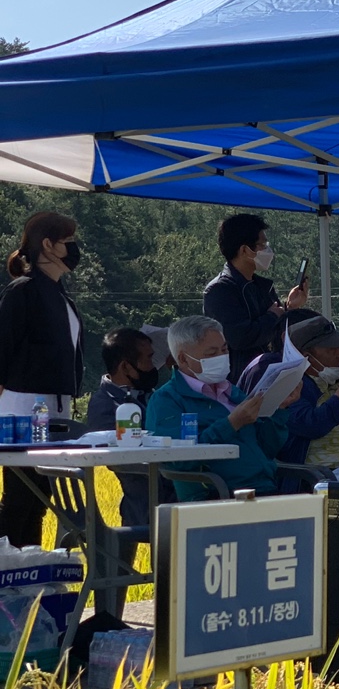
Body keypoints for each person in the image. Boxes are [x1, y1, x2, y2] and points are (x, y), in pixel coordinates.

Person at [146, 316, 301, 499]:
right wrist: (231, 424)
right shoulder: (167, 400)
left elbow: (266, 447)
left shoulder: (231, 392)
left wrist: (278, 409)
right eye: (211, 353)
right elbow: (178, 460)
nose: (221, 357)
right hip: (215, 495)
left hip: (262, 489)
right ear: (183, 359)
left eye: (224, 349)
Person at [0, 212, 85, 546]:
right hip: (22, 407)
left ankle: (31, 575)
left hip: (55, 407)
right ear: (48, 245)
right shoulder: (22, 291)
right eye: (68, 242)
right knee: (21, 498)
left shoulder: (60, 294)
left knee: (39, 503)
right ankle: (8, 574)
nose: (75, 249)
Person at [247, 314, 339, 475]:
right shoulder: (292, 387)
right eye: (331, 349)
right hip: (312, 479)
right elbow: (312, 425)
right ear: (306, 356)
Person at [202, 213, 309, 382]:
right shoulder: (220, 290)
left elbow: (275, 330)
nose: (268, 250)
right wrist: (273, 316)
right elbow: (239, 337)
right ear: (245, 250)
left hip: (269, 377)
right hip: (241, 385)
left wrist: (289, 308)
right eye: (263, 245)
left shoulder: (261, 286)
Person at [87, 327, 171, 527]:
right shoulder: (105, 405)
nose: (152, 366)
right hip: (151, 500)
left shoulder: (148, 395)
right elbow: (124, 463)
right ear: (125, 367)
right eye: (148, 359)